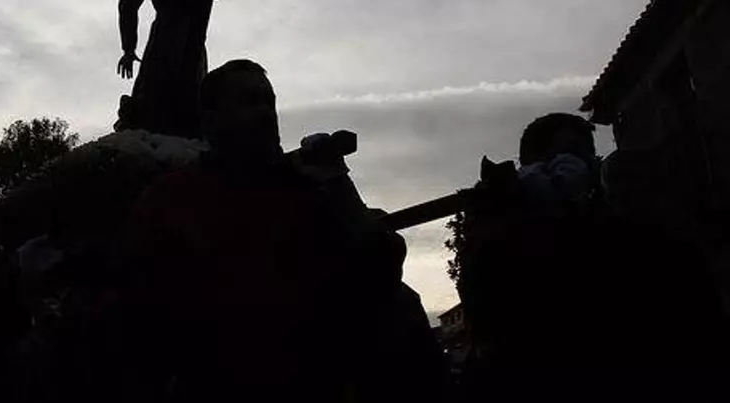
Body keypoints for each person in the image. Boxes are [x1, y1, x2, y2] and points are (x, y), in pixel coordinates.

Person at [121, 59, 448, 402]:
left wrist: (338, 184)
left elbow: (380, 268)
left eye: (270, 102)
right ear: (211, 121)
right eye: (249, 101)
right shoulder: (171, 200)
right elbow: (142, 319)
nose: (266, 113)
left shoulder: (312, 190)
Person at [456, 113, 726, 403]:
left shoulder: (617, 220)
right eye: (571, 151)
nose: (584, 161)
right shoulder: (497, 233)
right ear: (533, 164)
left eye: (588, 152)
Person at [116, 0, 239, 138]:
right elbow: (128, 3)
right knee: (156, 97)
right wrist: (128, 48)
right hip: (168, 37)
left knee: (187, 98)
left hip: (190, 37)